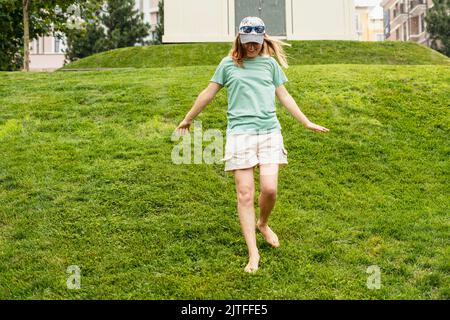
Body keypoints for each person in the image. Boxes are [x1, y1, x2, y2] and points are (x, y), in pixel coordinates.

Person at [175, 17, 330, 273]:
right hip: (240, 136)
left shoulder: (270, 65)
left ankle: (263, 223)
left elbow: (285, 96)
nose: (252, 47)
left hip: (269, 133)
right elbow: (208, 93)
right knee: (245, 194)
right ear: (240, 39)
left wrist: (306, 122)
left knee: (269, 190)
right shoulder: (228, 65)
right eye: (247, 42)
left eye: (256, 42)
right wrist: (187, 119)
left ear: (262, 40)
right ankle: (253, 253)